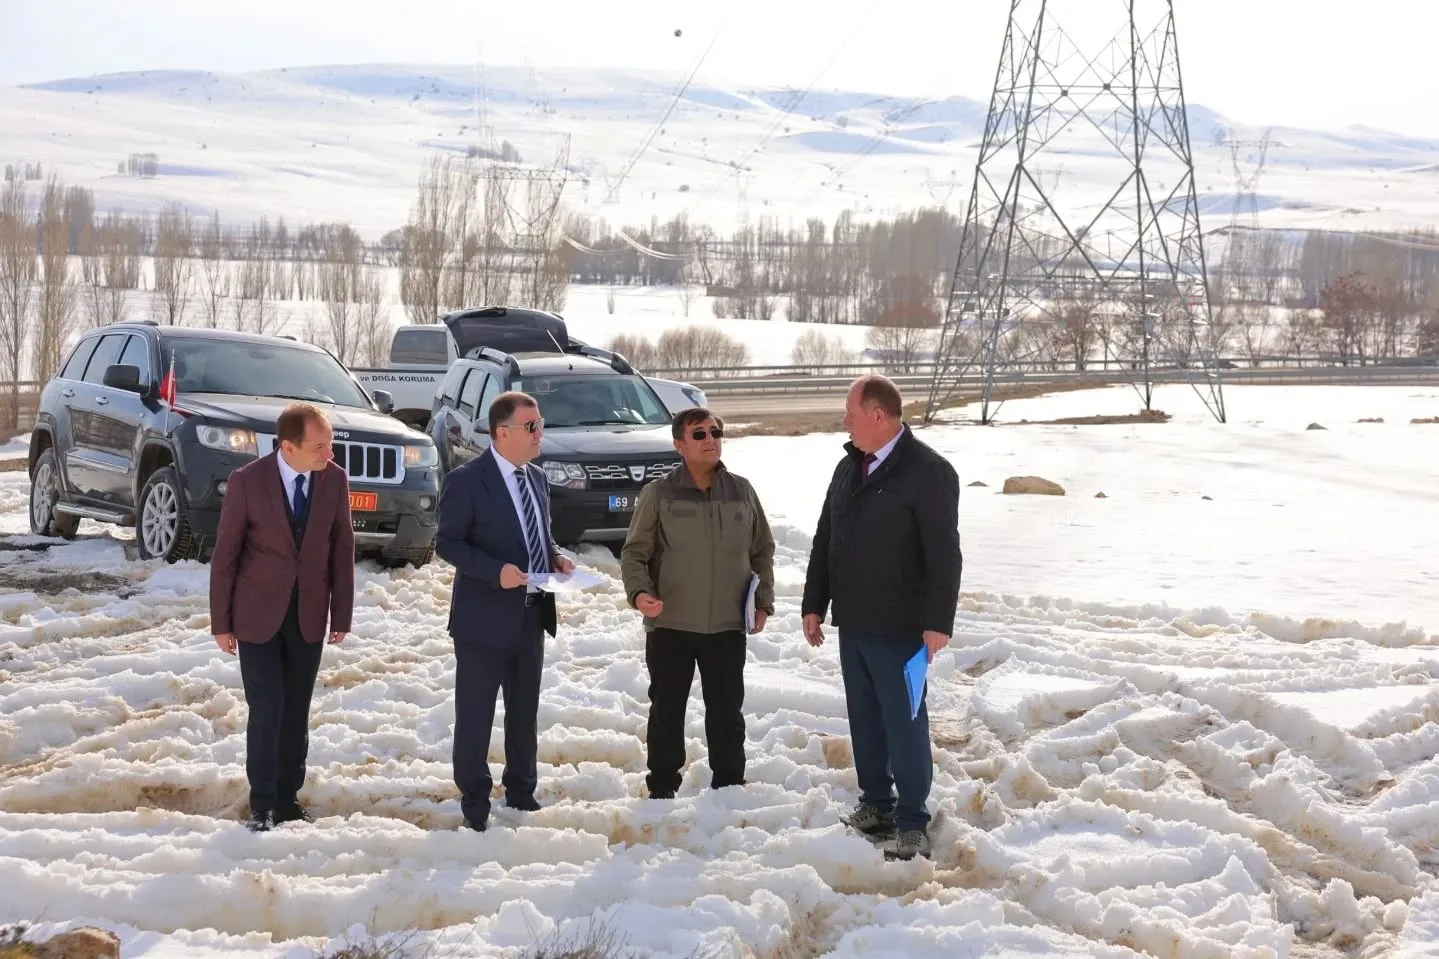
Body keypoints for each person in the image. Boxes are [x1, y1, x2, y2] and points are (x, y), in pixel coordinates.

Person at [801, 375, 961, 861]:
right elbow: (825, 539)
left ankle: (912, 818)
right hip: (855, 622)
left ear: (878, 416)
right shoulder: (849, 467)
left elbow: (944, 554)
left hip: (903, 629)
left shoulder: (928, 471)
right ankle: (876, 803)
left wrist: (938, 620)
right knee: (865, 719)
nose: (844, 422)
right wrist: (814, 603)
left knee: (904, 723)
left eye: (851, 413)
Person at [209, 402, 355, 833]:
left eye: (330, 444)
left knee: (295, 710)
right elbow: (226, 556)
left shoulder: (334, 480)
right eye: (319, 446)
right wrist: (222, 621)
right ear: (287, 447)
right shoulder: (247, 482)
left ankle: (288, 798)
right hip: (256, 616)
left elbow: (341, 550)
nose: (328, 454)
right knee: (267, 707)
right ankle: (263, 803)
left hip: (309, 614)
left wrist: (341, 614)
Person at [435, 391, 574, 832]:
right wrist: (496, 572)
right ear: (502, 432)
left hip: (531, 613)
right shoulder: (466, 480)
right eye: (531, 426)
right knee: (476, 714)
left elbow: (537, 533)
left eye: (540, 424)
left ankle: (521, 791)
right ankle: (475, 801)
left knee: (524, 711)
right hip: (482, 618)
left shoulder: (535, 478)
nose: (540, 433)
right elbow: (448, 543)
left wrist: (554, 556)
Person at [620, 407, 775, 799]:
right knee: (667, 711)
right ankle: (662, 788)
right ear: (679, 445)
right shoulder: (659, 494)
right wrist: (639, 594)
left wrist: (763, 603)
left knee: (726, 713)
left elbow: (762, 551)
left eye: (715, 432)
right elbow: (634, 553)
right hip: (670, 623)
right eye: (700, 434)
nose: (711, 440)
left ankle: (728, 787)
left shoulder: (742, 491)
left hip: (726, 625)